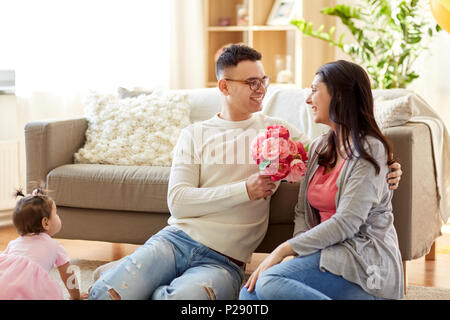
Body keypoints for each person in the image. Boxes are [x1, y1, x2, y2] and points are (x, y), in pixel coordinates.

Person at [88, 45, 402, 300]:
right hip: (174, 241)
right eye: (251, 83)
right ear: (224, 86)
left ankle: (151, 286)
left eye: (263, 81)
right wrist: (245, 190)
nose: (260, 89)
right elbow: (179, 203)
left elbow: (346, 158)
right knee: (108, 294)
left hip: (225, 260)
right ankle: (135, 278)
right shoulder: (194, 134)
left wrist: (389, 168)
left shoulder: (280, 132)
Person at [239, 60, 405, 300]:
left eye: (315, 90)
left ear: (339, 95)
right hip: (326, 252)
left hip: (362, 259)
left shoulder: (370, 149)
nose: (308, 99)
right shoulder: (319, 147)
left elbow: (347, 222)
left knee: (269, 281)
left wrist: (283, 251)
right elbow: (301, 212)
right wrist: (299, 255)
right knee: (249, 295)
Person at [0, 187, 84, 300]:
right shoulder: (55, 246)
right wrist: (76, 297)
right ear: (45, 222)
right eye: (56, 214)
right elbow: (68, 276)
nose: (58, 217)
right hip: (27, 289)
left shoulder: (13, 243)